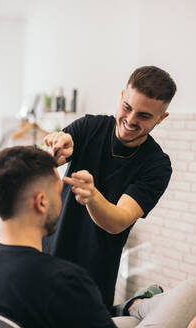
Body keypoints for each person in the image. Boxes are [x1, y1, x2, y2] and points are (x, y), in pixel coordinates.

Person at [0, 145, 195, 328]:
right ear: (41, 202)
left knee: (129, 321)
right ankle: (134, 306)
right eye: (58, 191)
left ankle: (133, 307)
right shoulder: (64, 281)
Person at [42, 65, 177, 311]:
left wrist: (93, 196)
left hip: (92, 278)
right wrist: (54, 147)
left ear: (162, 117)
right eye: (127, 107)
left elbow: (118, 222)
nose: (130, 120)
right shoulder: (89, 127)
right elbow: (51, 158)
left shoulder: (156, 164)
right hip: (48, 258)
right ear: (122, 94)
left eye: (144, 116)